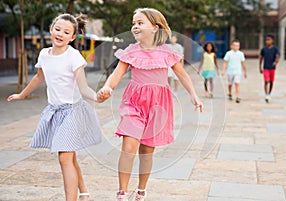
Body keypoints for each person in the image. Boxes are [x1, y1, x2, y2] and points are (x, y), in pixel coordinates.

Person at [97, 8, 203, 201]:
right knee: (128, 147)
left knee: (146, 151)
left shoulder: (167, 53)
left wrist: (194, 95)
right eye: (134, 23)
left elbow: (182, 74)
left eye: (140, 23)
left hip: (158, 106)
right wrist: (107, 87)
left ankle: (141, 191)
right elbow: (116, 75)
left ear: (155, 28)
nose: (135, 26)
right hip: (134, 103)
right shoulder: (130, 51)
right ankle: (121, 193)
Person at [7, 13, 102, 201]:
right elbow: (39, 77)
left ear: (72, 37)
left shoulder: (73, 56)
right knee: (70, 156)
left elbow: (83, 88)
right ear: (51, 29)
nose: (60, 34)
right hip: (55, 111)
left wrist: (97, 97)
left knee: (64, 158)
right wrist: (21, 94)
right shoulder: (44, 54)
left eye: (66, 32)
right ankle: (83, 191)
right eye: (57, 29)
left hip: (73, 112)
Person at [259, 34, 280, 103]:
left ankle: (269, 93)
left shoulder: (275, 49)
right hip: (266, 68)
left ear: (272, 41)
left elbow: (277, 56)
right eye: (266, 40)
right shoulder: (264, 49)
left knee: (271, 81)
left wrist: (276, 62)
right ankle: (266, 94)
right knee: (266, 80)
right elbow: (261, 58)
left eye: (269, 40)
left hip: (272, 68)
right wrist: (260, 67)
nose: (267, 41)